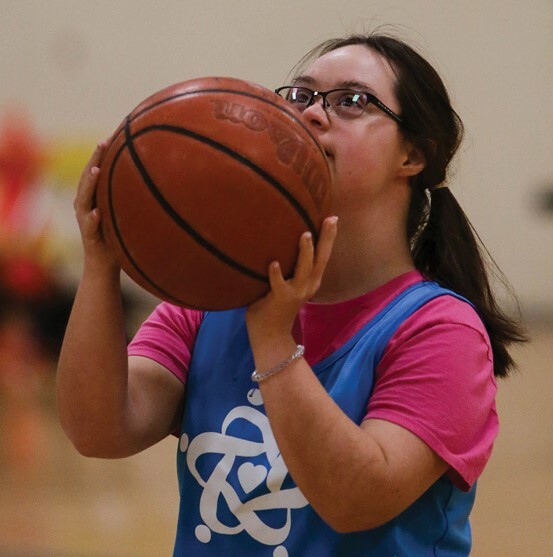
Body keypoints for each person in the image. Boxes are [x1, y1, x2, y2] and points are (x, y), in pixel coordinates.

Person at [57, 32, 527, 556]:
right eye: (300, 96)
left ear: (413, 155)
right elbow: (98, 432)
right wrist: (101, 262)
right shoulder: (209, 301)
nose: (313, 114)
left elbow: (352, 500)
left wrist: (272, 336)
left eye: (352, 101)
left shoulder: (440, 331)